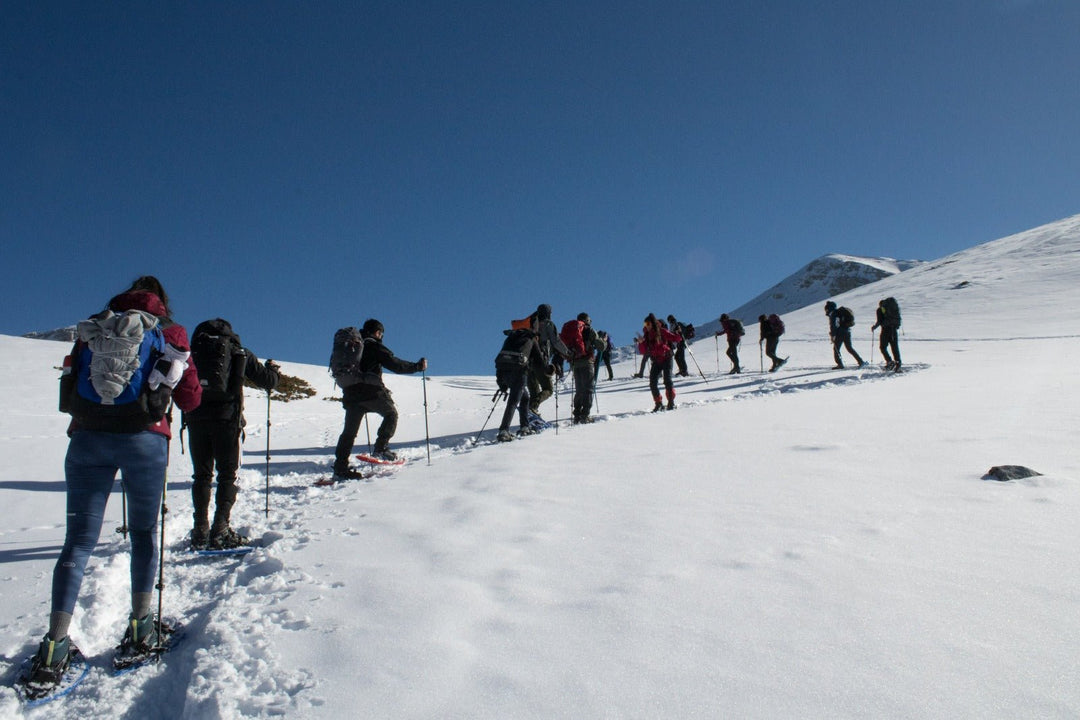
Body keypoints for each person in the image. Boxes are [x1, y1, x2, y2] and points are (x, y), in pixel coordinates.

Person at [25, 276, 202, 692]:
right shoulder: (169, 332)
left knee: (78, 541)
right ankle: (141, 629)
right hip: (145, 440)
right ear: (162, 301)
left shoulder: (96, 324)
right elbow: (191, 397)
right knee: (143, 533)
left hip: (87, 438)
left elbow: (72, 385)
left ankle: (54, 648)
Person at [183, 318, 280, 550]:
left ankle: (200, 530)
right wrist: (273, 371)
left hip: (196, 416)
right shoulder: (239, 352)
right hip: (227, 418)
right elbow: (268, 381)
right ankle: (220, 528)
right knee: (227, 474)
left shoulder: (192, 352)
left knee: (201, 475)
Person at [333, 319, 426, 478]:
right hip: (371, 392)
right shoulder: (373, 346)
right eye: (380, 333)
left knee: (349, 432)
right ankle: (381, 449)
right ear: (377, 332)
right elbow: (395, 364)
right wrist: (417, 367)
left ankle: (340, 467)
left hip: (351, 394)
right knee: (391, 414)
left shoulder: (352, 346)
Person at [494, 323, 545, 442]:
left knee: (525, 397)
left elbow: (502, 358)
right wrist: (549, 370)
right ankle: (504, 430)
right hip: (519, 372)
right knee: (514, 400)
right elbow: (539, 362)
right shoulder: (531, 338)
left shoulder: (511, 338)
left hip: (503, 370)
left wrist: (501, 383)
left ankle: (524, 427)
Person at [526, 304, 570, 419]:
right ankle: (532, 408)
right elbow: (556, 341)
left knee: (534, 392)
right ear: (548, 313)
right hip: (540, 361)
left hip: (526, 362)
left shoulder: (529, 324)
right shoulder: (548, 324)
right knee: (548, 389)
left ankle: (529, 417)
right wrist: (568, 353)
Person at [561, 312, 605, 424]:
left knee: (579, 389)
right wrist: (603, 340)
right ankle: (585, 415)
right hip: (587, 362)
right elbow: (601, 346)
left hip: (575, 363)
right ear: (587, 320)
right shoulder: (589, 330)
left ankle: (577, 414)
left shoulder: (573, 329)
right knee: (588, 389)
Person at [639, 313, 682, 411]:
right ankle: (658, 403)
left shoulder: (661, 331)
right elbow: (643, 351)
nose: (646, 326)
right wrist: (641, 343)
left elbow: (675, 338)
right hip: (656, 360)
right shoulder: (646, 336)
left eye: (647, 324)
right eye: (645, 324)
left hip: (667, 357)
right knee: (652, 382)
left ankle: (671, 402)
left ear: (652, 323)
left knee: (667, 380)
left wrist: (678, 333)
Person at [824, 301, 864, 369]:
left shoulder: (833, 314)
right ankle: (860, 361)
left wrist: (833, 334)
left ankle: (840, 364)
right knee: (849, 348)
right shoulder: (839, 313)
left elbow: (834, 325)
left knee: (836, 349)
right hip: (847, 331)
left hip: (840, 333)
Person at [871, 297, 902, 372]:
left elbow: (879, 321)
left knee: (882, 347)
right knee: (894, 347)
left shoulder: (880, 309)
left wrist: (874, 327)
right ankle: (898, 364)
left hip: (885, 330)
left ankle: (890, 362)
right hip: (893, 330)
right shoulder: (894, 309)